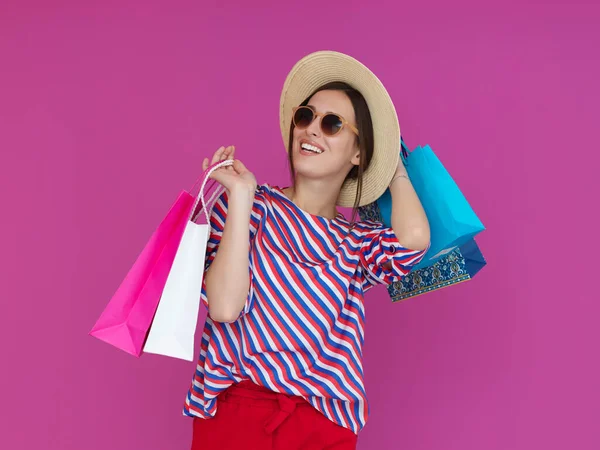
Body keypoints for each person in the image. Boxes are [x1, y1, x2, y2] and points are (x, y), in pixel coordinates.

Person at [184, 51, 430, 450]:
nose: (312, 130)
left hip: (323, 425)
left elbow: (415, 239)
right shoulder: (248, 206)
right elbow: (224, 308)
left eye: (332, 124)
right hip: (237, 415)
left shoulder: (357, 242)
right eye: (305, 117)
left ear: (357, 153)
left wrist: (391, 164)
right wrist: (243, 195)